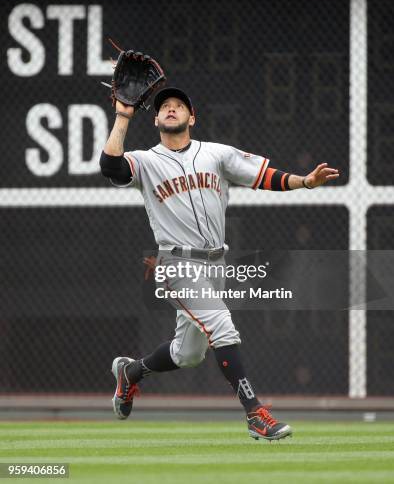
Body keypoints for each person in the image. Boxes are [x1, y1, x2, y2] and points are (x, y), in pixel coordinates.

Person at [100, 86, 339, 441]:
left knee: (188, 354)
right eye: (164, 106)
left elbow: (263, 176)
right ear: (154, 118)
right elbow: (111, 167)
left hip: (216, 264)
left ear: (191, 118)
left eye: (179, 105)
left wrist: (304, 181)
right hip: (175, 264)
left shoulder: (216, 154)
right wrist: (122, 116)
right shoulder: (146, 161)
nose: (171, 109)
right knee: (222, 326)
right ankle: (255, 413)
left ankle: (132, 372)